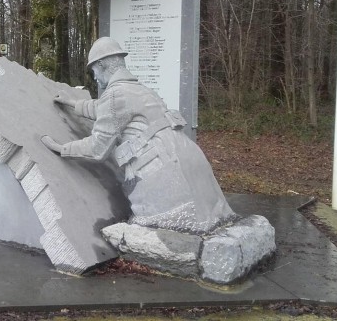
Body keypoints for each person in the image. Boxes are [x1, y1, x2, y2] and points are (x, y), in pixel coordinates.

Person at [41, 37, 236, 234]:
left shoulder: (116, 94)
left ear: (101, 64)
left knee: (169, 229)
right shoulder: (140, 89)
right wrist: (72, 103)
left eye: (93, 71)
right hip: (191, 161)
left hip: (165, 173)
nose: (95, 78)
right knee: (212, 222)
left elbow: (97, 148)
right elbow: (105, 109)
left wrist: (61, 148)